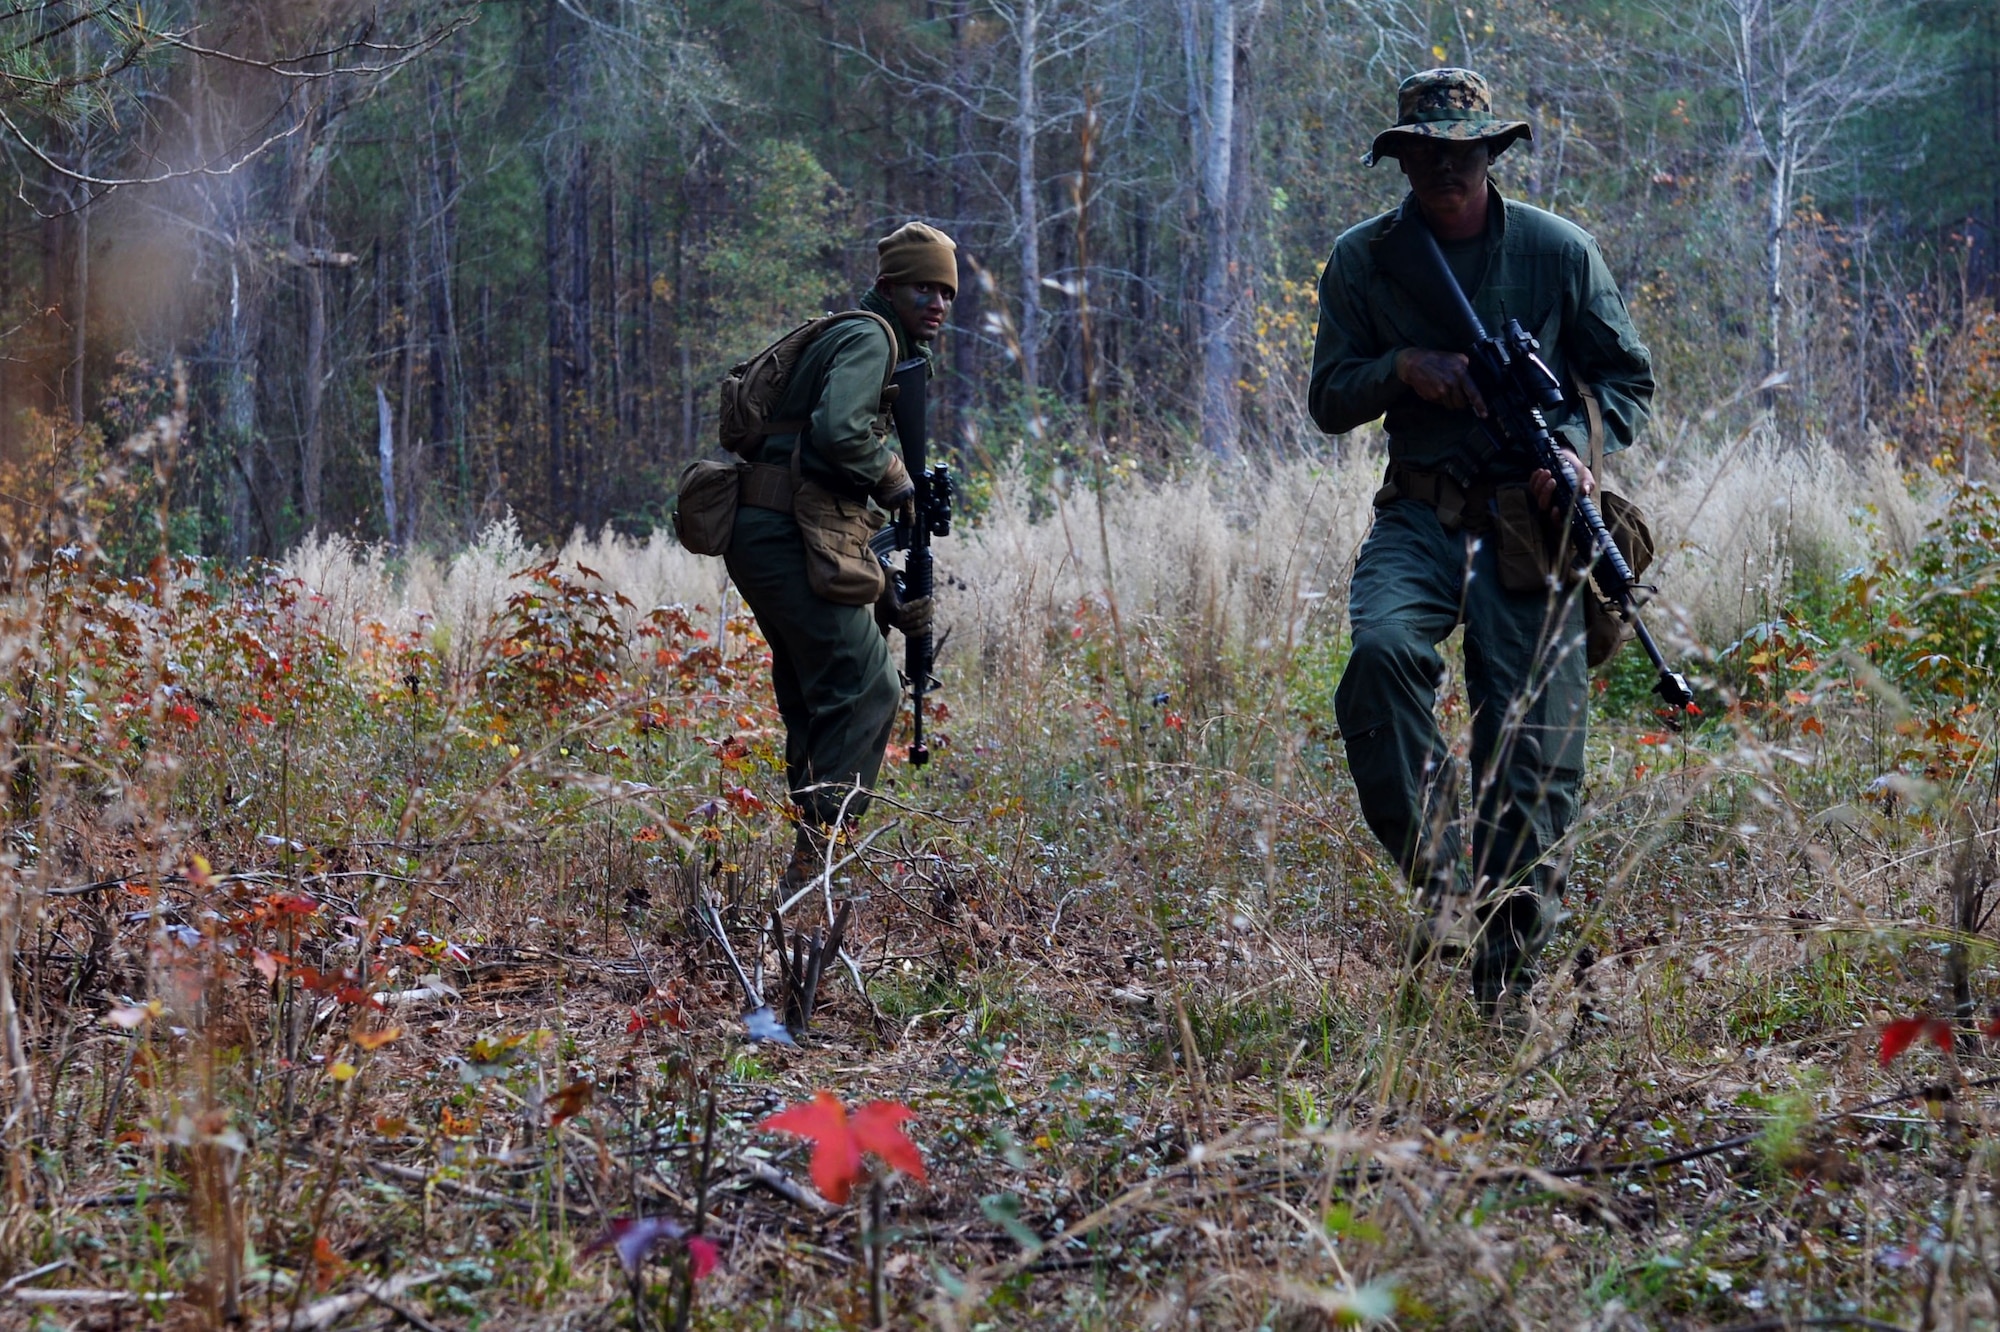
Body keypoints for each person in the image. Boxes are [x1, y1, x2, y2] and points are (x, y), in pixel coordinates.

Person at [1308, 68, 1655, 1015]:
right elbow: (1329, 398)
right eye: (1423, 153)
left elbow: (1627, 379)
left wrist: (1579, 454)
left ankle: (1507, 985)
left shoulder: (1557, 251)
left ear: (1490, 154)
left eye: (1461, 153)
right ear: (1403, 158)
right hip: (1419, 513)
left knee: (1533, 746)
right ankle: (1447, 883)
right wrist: (1401, 369)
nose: (1443, 170)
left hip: (1527, 522)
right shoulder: (1364, 259)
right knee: (1381, 657)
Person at [726, 221, 957, 889]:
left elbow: (825, 490)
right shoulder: (869, 335)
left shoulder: (871, 336)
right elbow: (837, 429)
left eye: (945, 290)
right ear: (889, 286)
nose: (937, 302)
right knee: (867, 687)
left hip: (779, 532)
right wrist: (893, 475)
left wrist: (885, 592)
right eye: (923, 287)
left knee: (821, 690)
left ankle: (812, 863)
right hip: (781, 531)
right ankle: (818, 862)